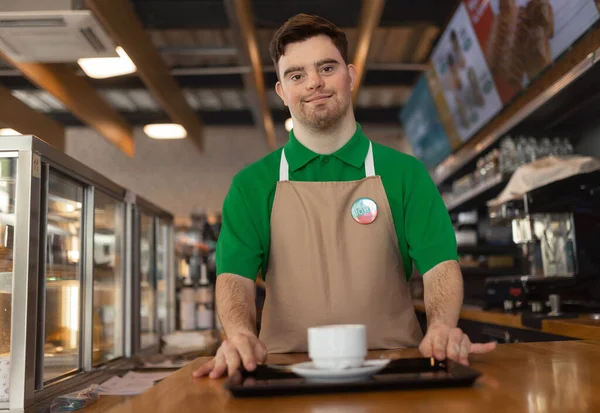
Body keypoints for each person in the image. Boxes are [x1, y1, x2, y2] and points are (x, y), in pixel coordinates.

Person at [193, 14, 496, 380]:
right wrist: (239, 334)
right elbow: (234, 279)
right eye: (297, 75)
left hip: (397, 368)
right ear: (282, 91)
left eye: (327, 67)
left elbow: (440, 267)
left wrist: (443, 326)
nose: (314, 83)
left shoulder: (405, 174)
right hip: (283, 372)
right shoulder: (251, 185)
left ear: (350, 75)